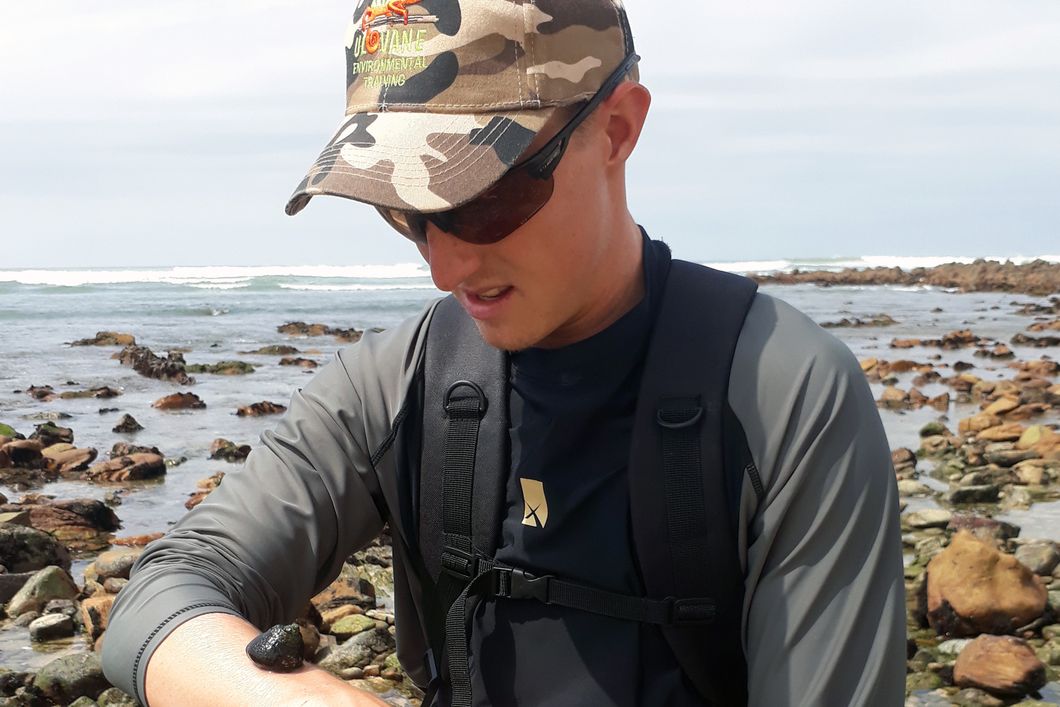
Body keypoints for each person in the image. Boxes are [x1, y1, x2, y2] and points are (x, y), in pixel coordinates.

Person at [101, 1, 907, 705]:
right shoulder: (394, 385)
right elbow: (162, 595)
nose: (444, 267)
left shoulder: (785, 395)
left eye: (483, 197)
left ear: (618, 128)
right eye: (405, 209)